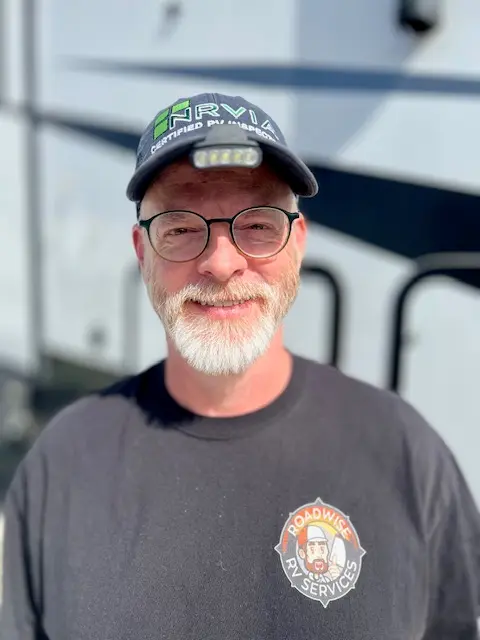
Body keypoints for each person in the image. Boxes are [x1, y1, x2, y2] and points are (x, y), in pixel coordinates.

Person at [1, 92, 479, 639]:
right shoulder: (63, 465)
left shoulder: (408, 457)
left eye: (258, 224)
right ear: (142, 251)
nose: (222, 263)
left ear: (297, 243)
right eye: (180, 227)